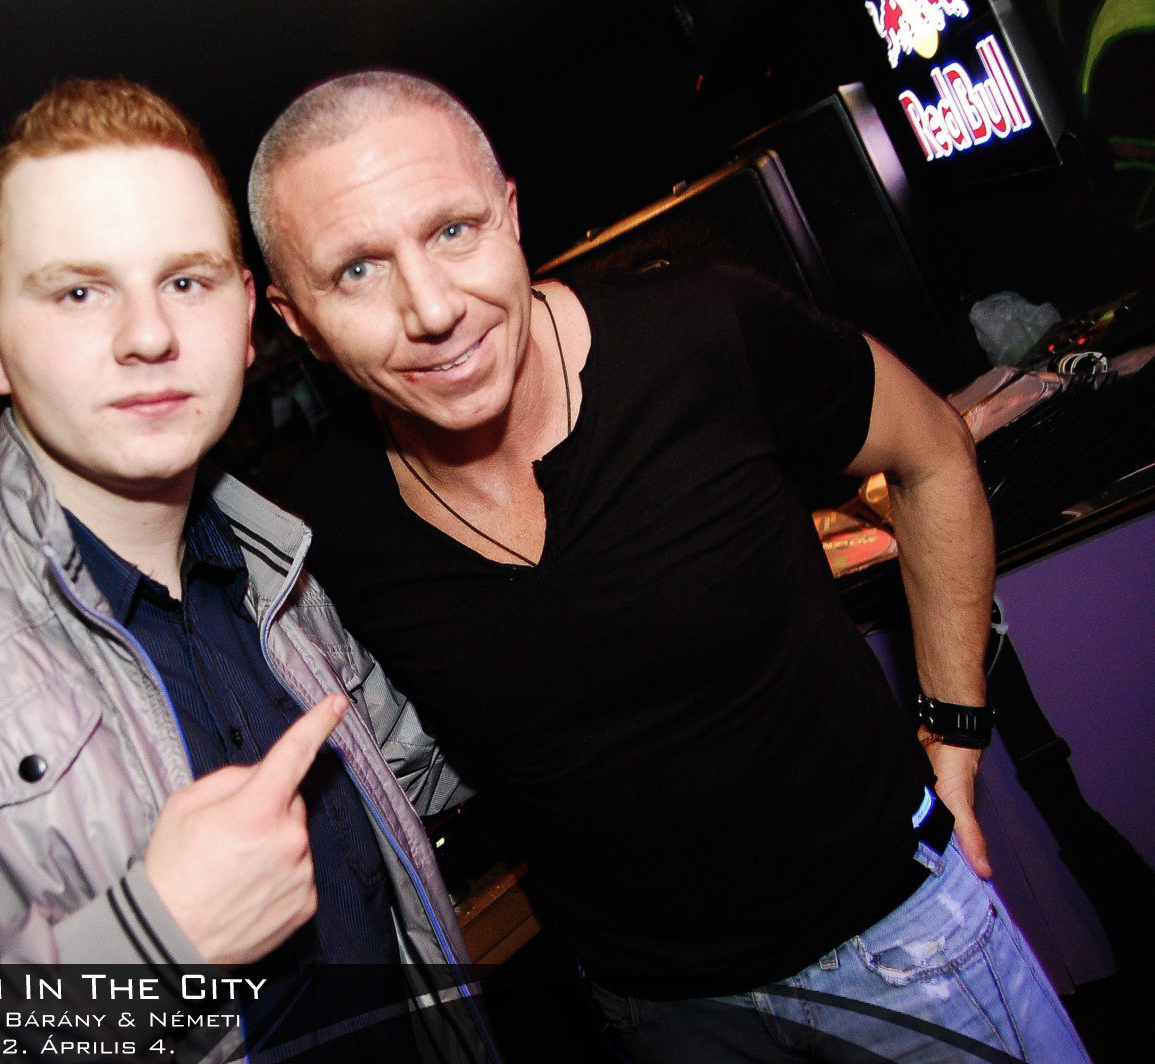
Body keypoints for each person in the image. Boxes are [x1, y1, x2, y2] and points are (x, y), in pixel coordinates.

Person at [247, 70, 1089, 1062]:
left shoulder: (703, 331)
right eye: (356, 270)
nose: (432, 308)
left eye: (453, 230)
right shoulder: (327, 529)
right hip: (660, 1019)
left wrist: (955, 732)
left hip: (901, 948)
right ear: (295, 319)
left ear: (510, 214)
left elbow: (933, 452)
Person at [0, 78, 490, 1063]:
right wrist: (151, 946)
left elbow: (427, 773)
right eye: (78, 291)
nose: (147, 335)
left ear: (245, 317)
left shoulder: (278, 569)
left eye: (186, 281)